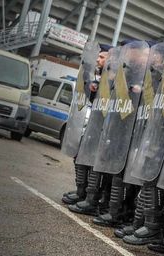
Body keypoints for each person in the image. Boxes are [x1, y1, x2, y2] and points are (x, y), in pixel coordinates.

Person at [62, 43, 111, 206]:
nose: (98, 59)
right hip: (93, 126)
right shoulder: (100, 76)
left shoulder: (113, 78)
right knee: (80, 155)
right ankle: (81, 191)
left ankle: (91, 197)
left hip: (105, 130)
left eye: (102, 57)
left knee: (93, 163)